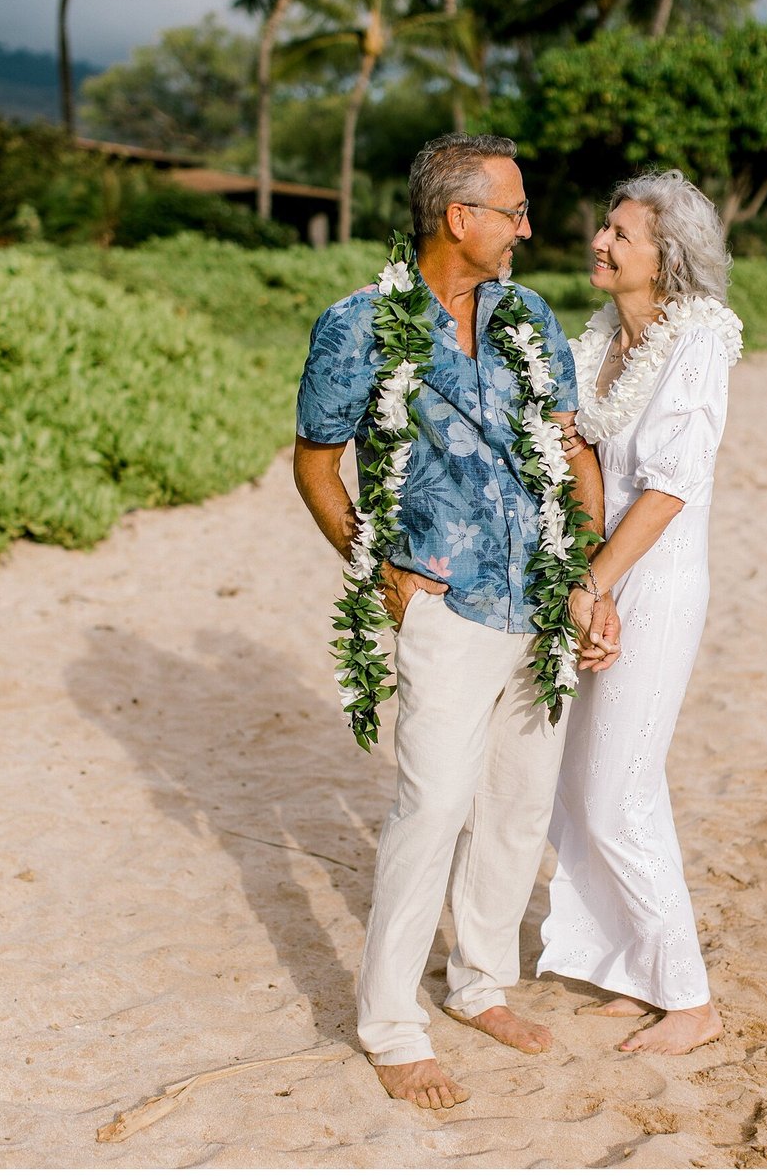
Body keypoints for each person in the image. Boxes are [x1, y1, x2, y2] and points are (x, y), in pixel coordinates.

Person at [293, 133, 620, 1109]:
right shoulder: (358, 325)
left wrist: (589, 574)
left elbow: (569, 453)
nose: (527, 226)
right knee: (430, 805)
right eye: (512, 209)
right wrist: (374, 564)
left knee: (518, 804)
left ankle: (479, 983)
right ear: (458, 217)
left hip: (542, 604)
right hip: (444, 605)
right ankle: (390, 1022)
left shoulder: (529, 315)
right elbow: (315, 464)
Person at [538, 169, 743, 1056]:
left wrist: (599, 585)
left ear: (668, 256)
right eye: (605, 228)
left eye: (622, 233)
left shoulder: (698, 342)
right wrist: (582, 576)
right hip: (600, 572)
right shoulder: (596, 342)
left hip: (652, 583)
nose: (601, 242)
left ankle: (690, 999)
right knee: (582, 784)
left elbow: (668, 489)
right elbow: (579, 458)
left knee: (618, 789)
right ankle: (632, 967)